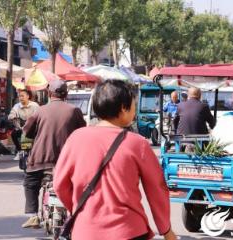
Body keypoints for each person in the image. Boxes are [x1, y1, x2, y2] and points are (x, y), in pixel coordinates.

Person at [53, 80, 176, 240]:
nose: (134, 110)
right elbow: (157, 189)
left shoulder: (76, 138)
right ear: (123, 108)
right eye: (133, 105)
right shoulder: (137, 143)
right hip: (129, 230)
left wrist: (81, 210)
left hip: (85, 232)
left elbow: (60, 185)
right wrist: (165, 229)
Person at [21, 79, 86, 228]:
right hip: (67, 162)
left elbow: (27, 131)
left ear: (49, 93)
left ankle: (32, 215)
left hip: (39, 160)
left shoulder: (40, 110)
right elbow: (82, 133)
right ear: (66, 94)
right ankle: (76, 213)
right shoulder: (74, 111)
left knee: (30, 183)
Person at [8, 88, 39, 160]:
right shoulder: (17, 106)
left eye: (22, 96)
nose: (21, 98)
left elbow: (39, 115)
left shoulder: (35, 105)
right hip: (21, 128)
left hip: (33, 128)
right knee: (14, 134)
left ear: (28, 96)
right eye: (19, 96)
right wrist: (12, 117)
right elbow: (11, 114)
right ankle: (20, 151)